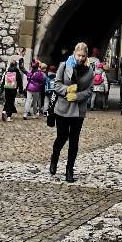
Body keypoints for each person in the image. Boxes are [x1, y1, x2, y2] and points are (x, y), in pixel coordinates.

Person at [49, 42, 94, 183]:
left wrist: (78, 96)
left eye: (83, 56)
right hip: (63, 108)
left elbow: (90, 90)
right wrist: (67, 90)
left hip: (78, 111)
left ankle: (69, 169)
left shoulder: (89, 70)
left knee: (74, 141)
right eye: (79, 55)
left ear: (87, 56)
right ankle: (54, 158)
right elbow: (56, 85)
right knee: (61, 137)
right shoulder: (64, 66)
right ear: (74, 53)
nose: (80, 58)